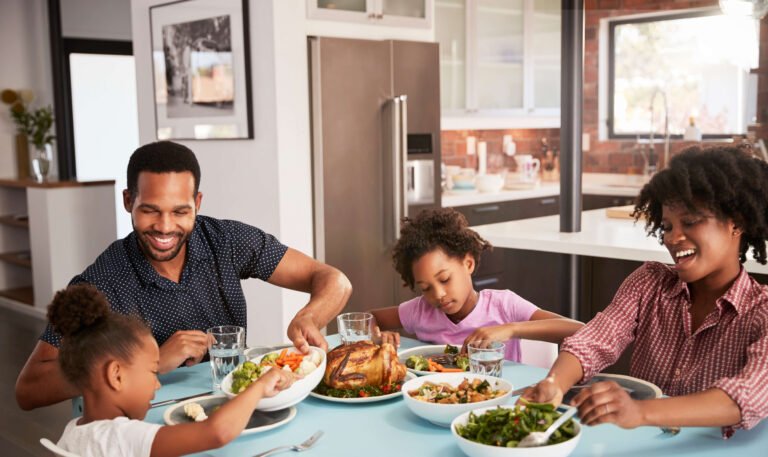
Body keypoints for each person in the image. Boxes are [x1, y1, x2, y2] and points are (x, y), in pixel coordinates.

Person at [16, 141, 351, 410]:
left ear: (197, 203)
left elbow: (333, 279)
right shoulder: (102, 281)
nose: (165, 227)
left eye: (180, 211)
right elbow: (29, 389)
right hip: (150, 428)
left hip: (238, 410)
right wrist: (147, 363)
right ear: (128, 201)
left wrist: (310, 316)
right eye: (150, 210)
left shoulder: (226, 240)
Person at [522, 145, 768, 437]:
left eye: (690, 222)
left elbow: (748, 395)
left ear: (736, 223)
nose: (673, 238)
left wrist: (639, 412)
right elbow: (595, 339)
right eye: (666, 226)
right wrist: (555, 383)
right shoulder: (649, 282)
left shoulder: (761, 311)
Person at [50, 284, 297, 457]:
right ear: (116, 375)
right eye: (152, 371)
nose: (156, 384)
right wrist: (259, 387)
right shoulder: (122, 437)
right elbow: (217, 433)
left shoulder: (73, 431)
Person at [370, 208, 583, 361]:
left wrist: (511, 329)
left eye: (445, 279)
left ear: (468, 263)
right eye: (426, 288)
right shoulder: (420, 310)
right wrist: (378, 337)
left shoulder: (503, 305)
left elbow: (579, 330)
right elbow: (368, 318)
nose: (439, 294)